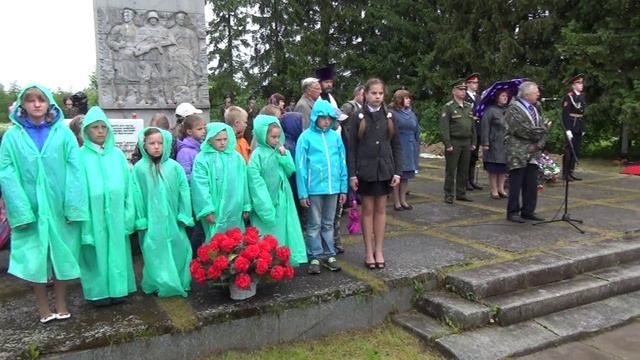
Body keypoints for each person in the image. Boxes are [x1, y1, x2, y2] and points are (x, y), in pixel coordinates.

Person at [0, 84, 88, 322]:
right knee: (34, 257)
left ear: (49, 103)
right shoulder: (12, 137)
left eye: (41, 99)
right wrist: (21, 211)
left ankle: (61, 302)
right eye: (31, 100)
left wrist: (73, 206)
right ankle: (42, 307)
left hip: (60, 206)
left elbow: (75, 170)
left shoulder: (63, 134)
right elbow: (6, 173)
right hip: (30, 206)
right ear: (22, 105)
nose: (37, 104)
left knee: (63, 253)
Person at [78, 106, 136, 305]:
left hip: (117, 213)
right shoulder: (80, 156)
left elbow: (128, 187)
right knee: (95, 253)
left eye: (104, 127)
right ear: (86, 130)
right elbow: (76, 190)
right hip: (92, 215)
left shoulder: (117, 155)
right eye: (95, 127)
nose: (100, 131)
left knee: (118, 251)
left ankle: (120, 289)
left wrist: (129, 214)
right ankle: (99, 292)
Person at [132, 127, 193, 297]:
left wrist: (184, 214)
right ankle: (157, 282)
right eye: (152, 143)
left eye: (160, 143)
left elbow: (184, 192)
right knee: (153, 250)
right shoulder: (139, 169)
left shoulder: (174, 167)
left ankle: (180, 279)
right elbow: (136, 194)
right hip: (152, 221)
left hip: (174, 219)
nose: (157, 147)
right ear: (144, 145)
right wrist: (141, 219)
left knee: (179, 248)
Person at [347, 79, 402, 270]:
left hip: (384, 170)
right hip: (366, 171)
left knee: (381, 210)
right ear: (365, 94)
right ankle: (368, 251)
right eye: (373, 93)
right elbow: (352, 148)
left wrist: (397, 171)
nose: (377, 97)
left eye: (380, 93)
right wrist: (352, 174)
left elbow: (396, 145)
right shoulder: (357, 116)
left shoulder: (389, 115)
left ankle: (379, 250)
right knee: (367, 211)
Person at [248, 115, 308, 266]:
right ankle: (266, 263)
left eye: (278, 136)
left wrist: (284, 155)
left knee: (283, 230)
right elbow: (256, 183)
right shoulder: (257, 155)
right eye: (273, 137)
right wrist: (265, 207)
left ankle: (281, 260)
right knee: (267, 232)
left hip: (282, 198)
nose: (276, 140)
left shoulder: (278, 150)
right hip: (267, 202)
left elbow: (290, 170)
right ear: (262, 135)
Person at [296, 99, 347, 274]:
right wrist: (303, 193)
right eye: (323, 117)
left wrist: (343, 188)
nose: (326, 121)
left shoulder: (335, 137)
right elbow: (301, 166)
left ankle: (329, 253)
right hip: (314, 189)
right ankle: (314, 255)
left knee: (328, 223)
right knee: (314, 224)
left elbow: (342, 163)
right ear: (315, 117)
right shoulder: (306, 137)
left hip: (333, 189)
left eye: (329, 118)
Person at [191, 123, 251, 241]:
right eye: (218, 140)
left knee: (236, 241)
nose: (222, 142)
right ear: (209, 140)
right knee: (215, 242)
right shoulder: (202, 159)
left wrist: (246, 205)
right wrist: (206, 209)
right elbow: (200, 186)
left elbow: (244, 183)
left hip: (235, 208)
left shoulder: (237, 158)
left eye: (225, 139)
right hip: (215, 209)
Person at [504, 81, 549, 223]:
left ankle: (528, 211)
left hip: (533, 151)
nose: (539, 94)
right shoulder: (513, 109)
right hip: (518, 151)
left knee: (531, 183)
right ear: (527, 94)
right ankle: (513, 212)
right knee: (516, 183)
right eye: (536, 92)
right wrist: (543, 131)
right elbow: (521, 129)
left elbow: (541, 126)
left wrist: (539, 144)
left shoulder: (536, 108)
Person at [440, 79, 476, 204]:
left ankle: (461, 193)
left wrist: (474, 142)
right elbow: (444, 128)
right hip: (454, 142)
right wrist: (448, 144)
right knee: (451, 170)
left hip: (466, 142)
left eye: (465, 89)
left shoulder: (468, 106)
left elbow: (472, 126)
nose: (463, 92)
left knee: (464, 169)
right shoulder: (448, 107)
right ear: (454, 91)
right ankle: (449, 194)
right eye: (460, 89)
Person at [390, 89, 420, 211]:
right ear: (399, 99)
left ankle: (403, 200)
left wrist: (416, 144)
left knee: (406, 175)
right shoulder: (392, 113)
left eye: (409, 98)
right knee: (398, 174)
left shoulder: (411, 113)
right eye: (406, 98)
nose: (409, 100)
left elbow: (417, 128)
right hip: (399, 145)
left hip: (411, 145)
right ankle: (396, 201)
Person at [481, 90, 510, 199]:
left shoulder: (508, 110)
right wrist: (485, 143)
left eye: (506, 96)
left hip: (506, 143)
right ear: (497, 97)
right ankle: (494, 189)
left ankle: (501, 188)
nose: (505, 97)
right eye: (503, 95)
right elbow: (485, 127)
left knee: (503, 167)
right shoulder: (490, 110)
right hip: (494, 142)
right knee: (493, 167)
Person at [562, 73, 586, 181]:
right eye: (578, 82)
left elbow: (583, 113)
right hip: (571, 125)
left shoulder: (582, 96)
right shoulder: (569, 96)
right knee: (568, 150)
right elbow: (565, 114)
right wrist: (567, 129)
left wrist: (583, 128)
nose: (581, 85)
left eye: (582, 82)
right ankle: (565, 173)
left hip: (579, 125)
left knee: (576, 150)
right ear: (573, 85)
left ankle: (571, 172)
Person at [464, 73, 483, 191]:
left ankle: (471, 180)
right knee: (467, 156)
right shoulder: (465, 97)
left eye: (477, 82)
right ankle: (465, 181)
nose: (476, 85)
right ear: (468, 84)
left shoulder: (479, 97)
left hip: (478, 129)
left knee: (474, 157)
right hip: (469, 130)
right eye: (474, 82)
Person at [175, 114, 207, 180]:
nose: (203, 131)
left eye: (204, 128)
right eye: (199, 129)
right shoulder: (184, 152)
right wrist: (202, 177)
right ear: (189, 131)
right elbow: (185, 176)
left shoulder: (202, 146)